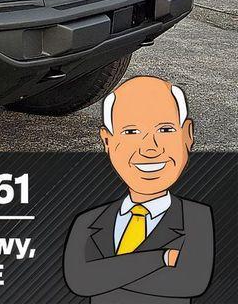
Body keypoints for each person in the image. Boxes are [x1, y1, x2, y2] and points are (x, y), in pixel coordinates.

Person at [63, 76, 214, 303]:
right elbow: (78, 281)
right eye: (131, 132)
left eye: (164, 129)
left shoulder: (196, 217)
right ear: (107, 142)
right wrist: (161, 259)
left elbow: (191, 281)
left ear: (187, 134)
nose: (150, 148)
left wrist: (104, 275)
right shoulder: (87, 220)